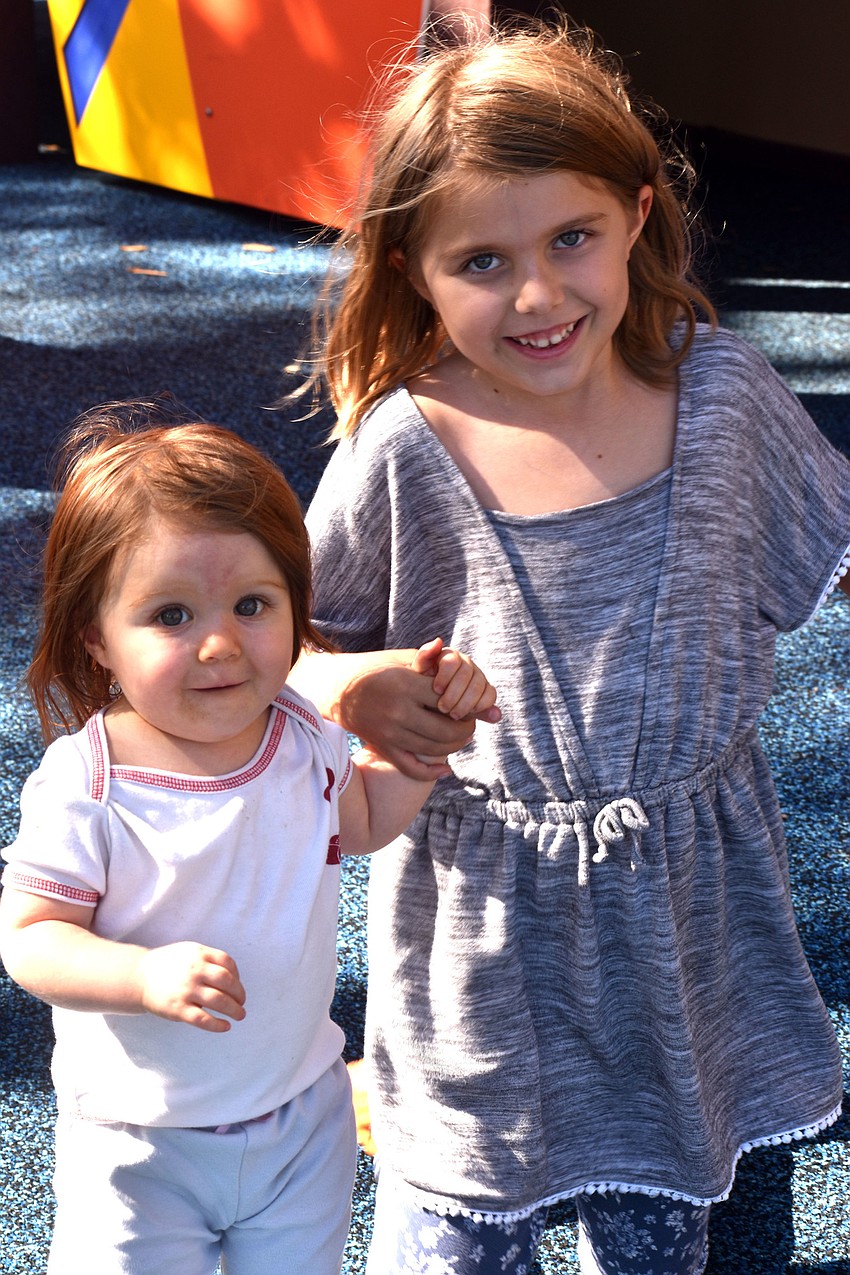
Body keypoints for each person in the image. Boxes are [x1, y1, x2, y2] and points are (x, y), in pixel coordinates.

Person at [289, 18, 850, 1275]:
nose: (537, 295)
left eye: (571, 239)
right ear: (412, 269)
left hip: (692, 914)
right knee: (460, 1231)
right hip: (486, 932)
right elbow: (283, 637)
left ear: (637, 215)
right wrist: (346, 685)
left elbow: (836, 542)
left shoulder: (724, 397)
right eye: (482, 260)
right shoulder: (403, 446)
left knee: (665, 1223)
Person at [0, 406, 498, 1275]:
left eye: (252, 605)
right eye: (171, 614)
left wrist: (421, 752)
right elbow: (32, 938)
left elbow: (361, 820)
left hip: (300, 1115)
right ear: (96, 638)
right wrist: (140, 976)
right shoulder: (89, 783)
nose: (221, 642)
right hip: (140, 1140)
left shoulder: (301, 733)